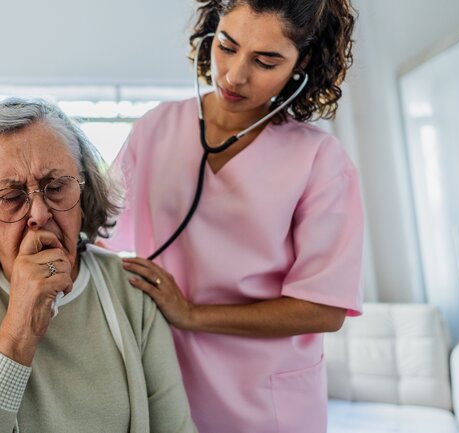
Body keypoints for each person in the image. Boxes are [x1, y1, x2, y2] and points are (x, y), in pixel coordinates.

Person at [105, 1, 364, 432]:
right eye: (226, 46)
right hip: (166, 379)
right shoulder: (155, 129)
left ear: (303, 65)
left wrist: (191, 313)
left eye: (266, 61)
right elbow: (96, 233)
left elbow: (323, 309)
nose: (234, 74)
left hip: (267, 401)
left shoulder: (320, 160)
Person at [0, 97, 196, 433]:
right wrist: (18, 332)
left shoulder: (132, 291)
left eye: (56, 187)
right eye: (11, 197)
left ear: (83, 191)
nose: (39, 214)